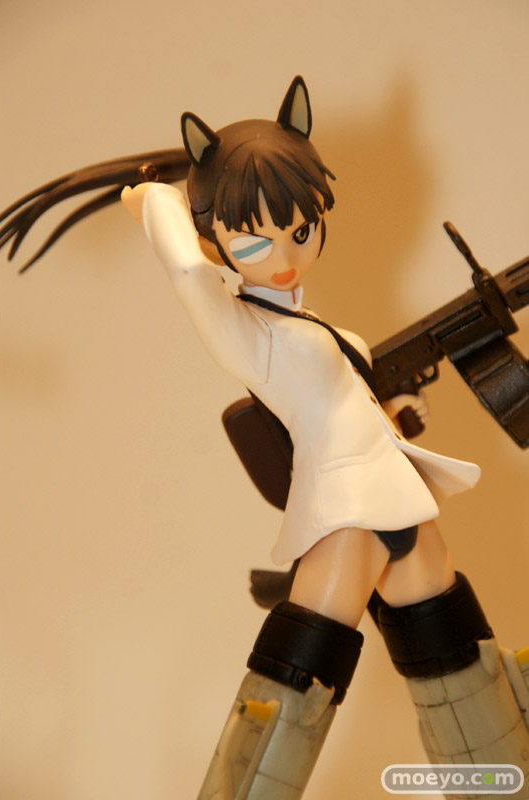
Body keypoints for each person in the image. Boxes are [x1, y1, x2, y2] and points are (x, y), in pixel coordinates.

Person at [121, 77, 528, 799]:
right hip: (347, 515)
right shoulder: (248, 334)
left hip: (400, 503)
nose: (283, 253)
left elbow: (349, 405)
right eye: (253, 238)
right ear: (215, 238)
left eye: (300, 230)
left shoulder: (328, 334)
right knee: (296, 685)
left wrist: (395, 408)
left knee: (459, 661)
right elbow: (187, 271)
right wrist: (156, 200)